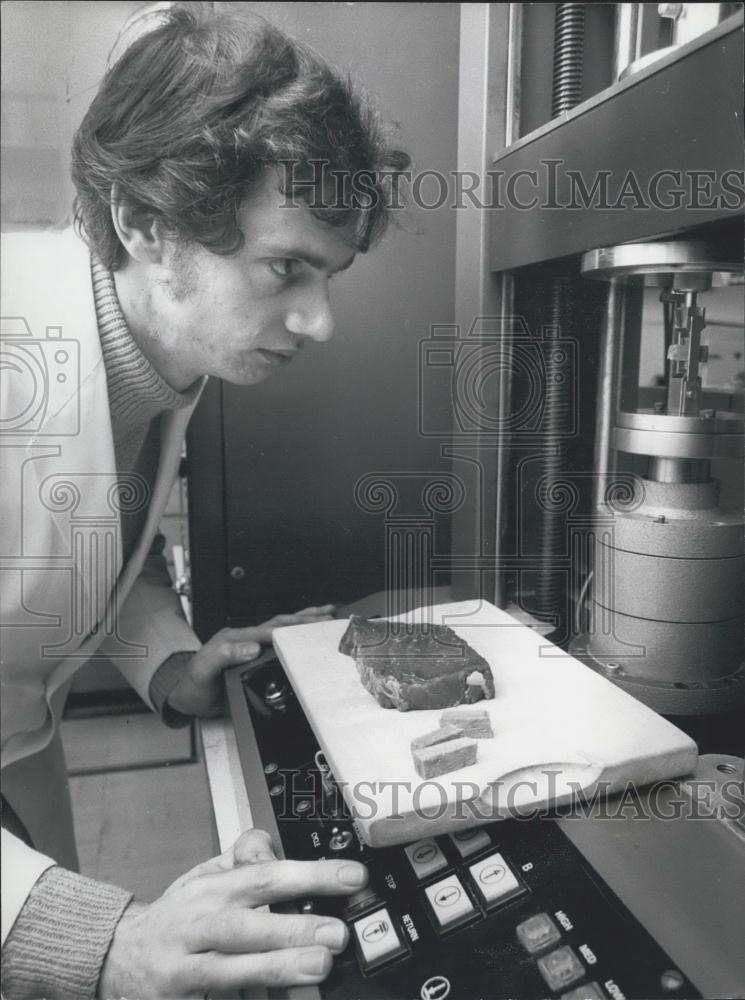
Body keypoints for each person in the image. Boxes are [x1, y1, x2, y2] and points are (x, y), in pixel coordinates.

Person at [0, 7, 409, 997]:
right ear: (147, 222)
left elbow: (100, 537)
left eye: (331, 272)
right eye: (285, 269)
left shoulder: (154, 362)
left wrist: (172, 665)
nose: (318, 321)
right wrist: (92, 938)